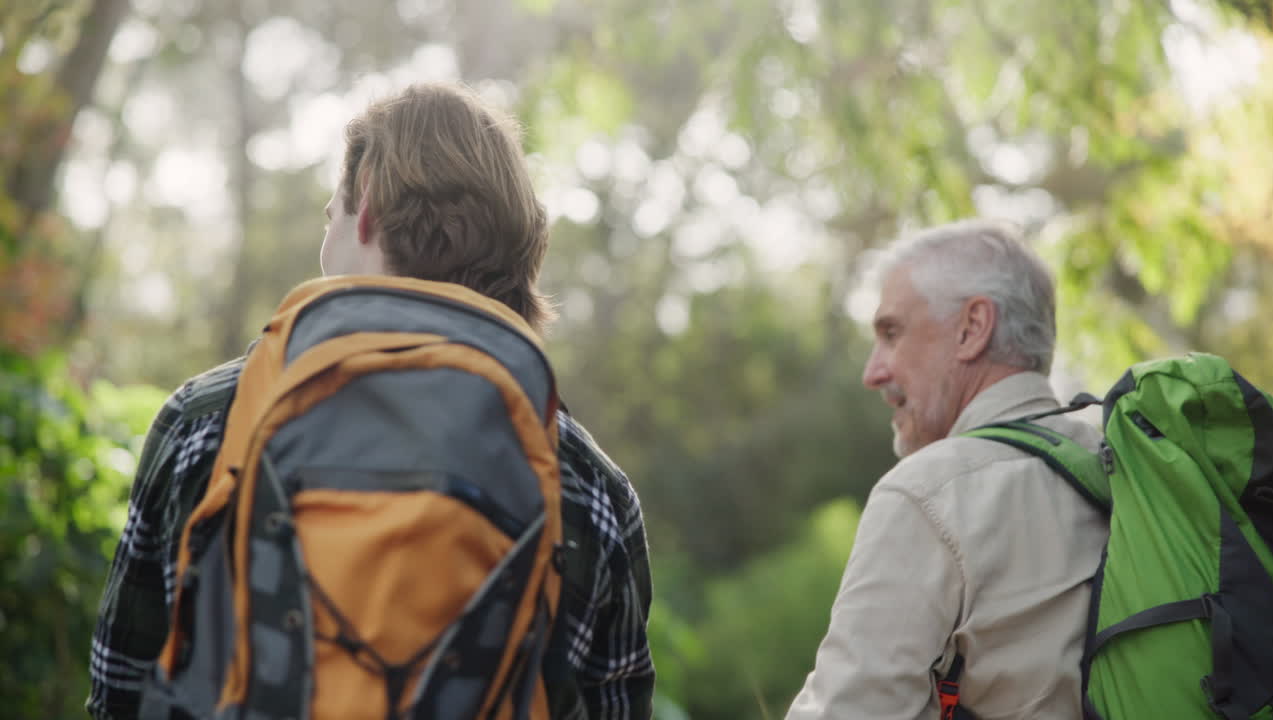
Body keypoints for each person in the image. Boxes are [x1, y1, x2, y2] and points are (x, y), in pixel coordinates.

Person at [88, 82, 655, 720]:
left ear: (366, 216)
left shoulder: (206, 420)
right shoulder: (589, 487)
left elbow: (121, 690)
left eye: (330, 214)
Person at [786, 219, 1109, 719]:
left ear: (972, 328)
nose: (873, 373)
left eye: (892, 333)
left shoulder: (930, 493)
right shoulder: (1118, 463)